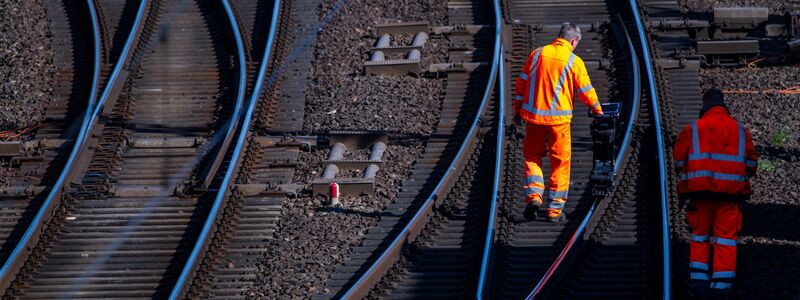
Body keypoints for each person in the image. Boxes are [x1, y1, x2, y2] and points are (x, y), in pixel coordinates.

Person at [513, 22, 603, 222]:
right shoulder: (574, 61)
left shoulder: (537, 54)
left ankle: (533, 198)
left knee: (532, 157)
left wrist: (516, 111)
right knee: (560, 163)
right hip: (558, 123)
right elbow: (586, 92)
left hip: (533, 118)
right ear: (573, 40)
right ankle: (554, 211)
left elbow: (521, 83)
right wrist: (598, 111)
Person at [673, 88, 758, 299]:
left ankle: (699, 284)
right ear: (724, 106)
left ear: (704, 106)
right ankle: (721, 287)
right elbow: (752, 163)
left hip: (699, 196)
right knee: (726, 240)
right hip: (730, 197)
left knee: (699, 237)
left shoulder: (693, 129)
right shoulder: (740, 130)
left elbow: (678, 162)